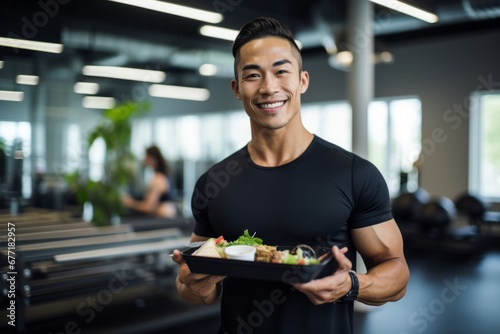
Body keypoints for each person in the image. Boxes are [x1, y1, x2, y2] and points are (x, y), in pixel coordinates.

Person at [172, 17, 410, 334]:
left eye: (281, 71)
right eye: (253, 75)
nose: (269, 87)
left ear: (302, 81)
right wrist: (193, 288)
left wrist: (352, 284)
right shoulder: (214, 183)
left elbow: (397, 274)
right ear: (237, 89)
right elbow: (195, 285)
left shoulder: (354, 174)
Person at [122, 145, 177, 218]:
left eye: (146, 156)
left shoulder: (158, 179)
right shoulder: (163, 176)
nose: (143, 159)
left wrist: (130, 202)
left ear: (152, 159)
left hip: (161, 221)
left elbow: (148, 207)